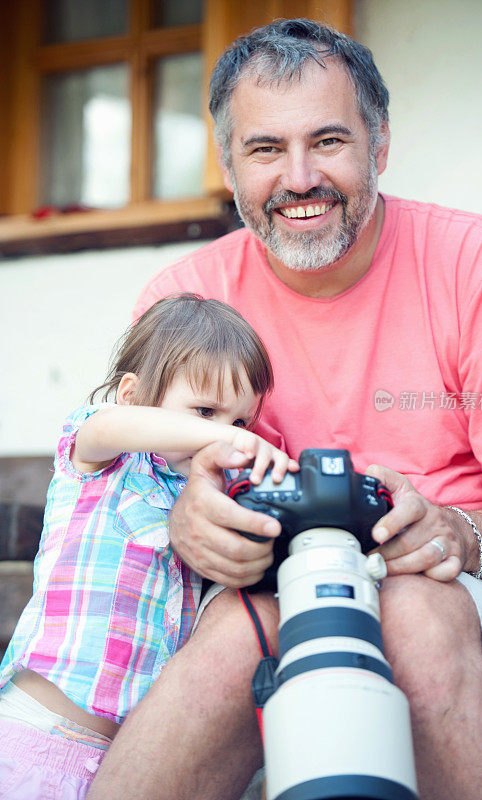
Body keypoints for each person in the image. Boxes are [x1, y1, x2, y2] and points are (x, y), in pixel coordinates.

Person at [87, 18, 482, 800]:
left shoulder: (479, 265)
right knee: (238, 629)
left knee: (415, 615)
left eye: (328, 141)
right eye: (264, 150)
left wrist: (454, 532)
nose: (299, 179)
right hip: (263, 600)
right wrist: (187, 523)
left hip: (462, 604)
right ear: (228, 166)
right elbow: (125, 503)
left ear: (380, 146)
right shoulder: (185, 302)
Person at [0, 293, 297, 799]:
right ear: (133, 395)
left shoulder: (205, 499)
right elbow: (111, 427)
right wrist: (225, 439)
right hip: (37, 738)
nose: (222, 435)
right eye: (205, 411)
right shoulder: (104, 458)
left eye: (241, 422)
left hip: (126, 762)